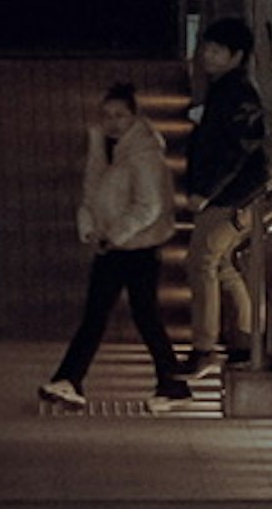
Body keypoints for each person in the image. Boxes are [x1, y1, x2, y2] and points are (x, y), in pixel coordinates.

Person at [38, 79, 189, 407]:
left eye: (120, 115)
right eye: (107, 115)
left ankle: (71, 379)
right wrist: (91, 225)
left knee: (114, 315)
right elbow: (92, 191)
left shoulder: (143, 153)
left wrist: (114, 233)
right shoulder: (106, 148)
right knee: (129, 315)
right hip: (117, 245)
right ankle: (168, 382)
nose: (113, 122)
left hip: (135, 247)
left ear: (135, 116)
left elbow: (149, 205)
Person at [182, 16, 272, 374]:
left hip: (230, 197)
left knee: (201, 261)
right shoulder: (227, 89)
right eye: (207, 47)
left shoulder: (237, 93)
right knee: (220, 265)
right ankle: (250, 338)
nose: (207, 54)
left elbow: (237, 149)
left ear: (237, 56)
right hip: (235, 195)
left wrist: (205, 191)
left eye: (217, 50)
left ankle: (205, 348)